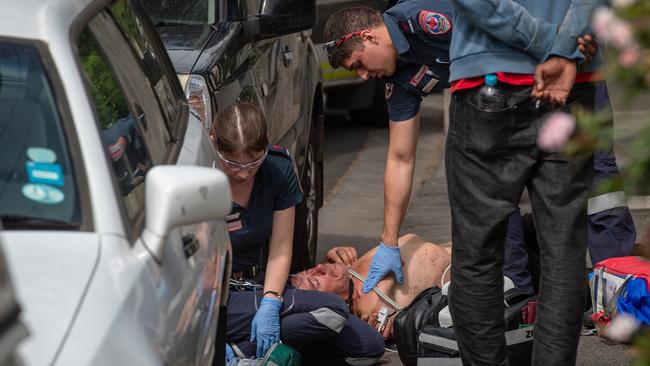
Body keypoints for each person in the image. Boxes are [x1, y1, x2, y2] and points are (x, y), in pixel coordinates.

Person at [444, 0, 608, 364]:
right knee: (563, 249)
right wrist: (564, 49)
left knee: (477, 252)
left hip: (489, 75)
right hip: (572, 78)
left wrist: (543, 42)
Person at [212, 102, 384, 365]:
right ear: (213, 143)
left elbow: (281, 248)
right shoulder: (200, 176)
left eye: (254, 162)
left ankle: (242, 351)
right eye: (232, 164)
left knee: (368, 344)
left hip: (260, 286)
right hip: (217, 296)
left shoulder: (278, 168)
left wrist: (270, 301)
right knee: (333, 308)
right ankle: (237, 351)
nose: (244, 173)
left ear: (267, 144)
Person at [291, 233, 452, 339]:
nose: (319, 268)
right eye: (315, 281)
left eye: (309, 271)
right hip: (467, 271)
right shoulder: (370, 304)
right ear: (329, 303)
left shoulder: (349, 269)